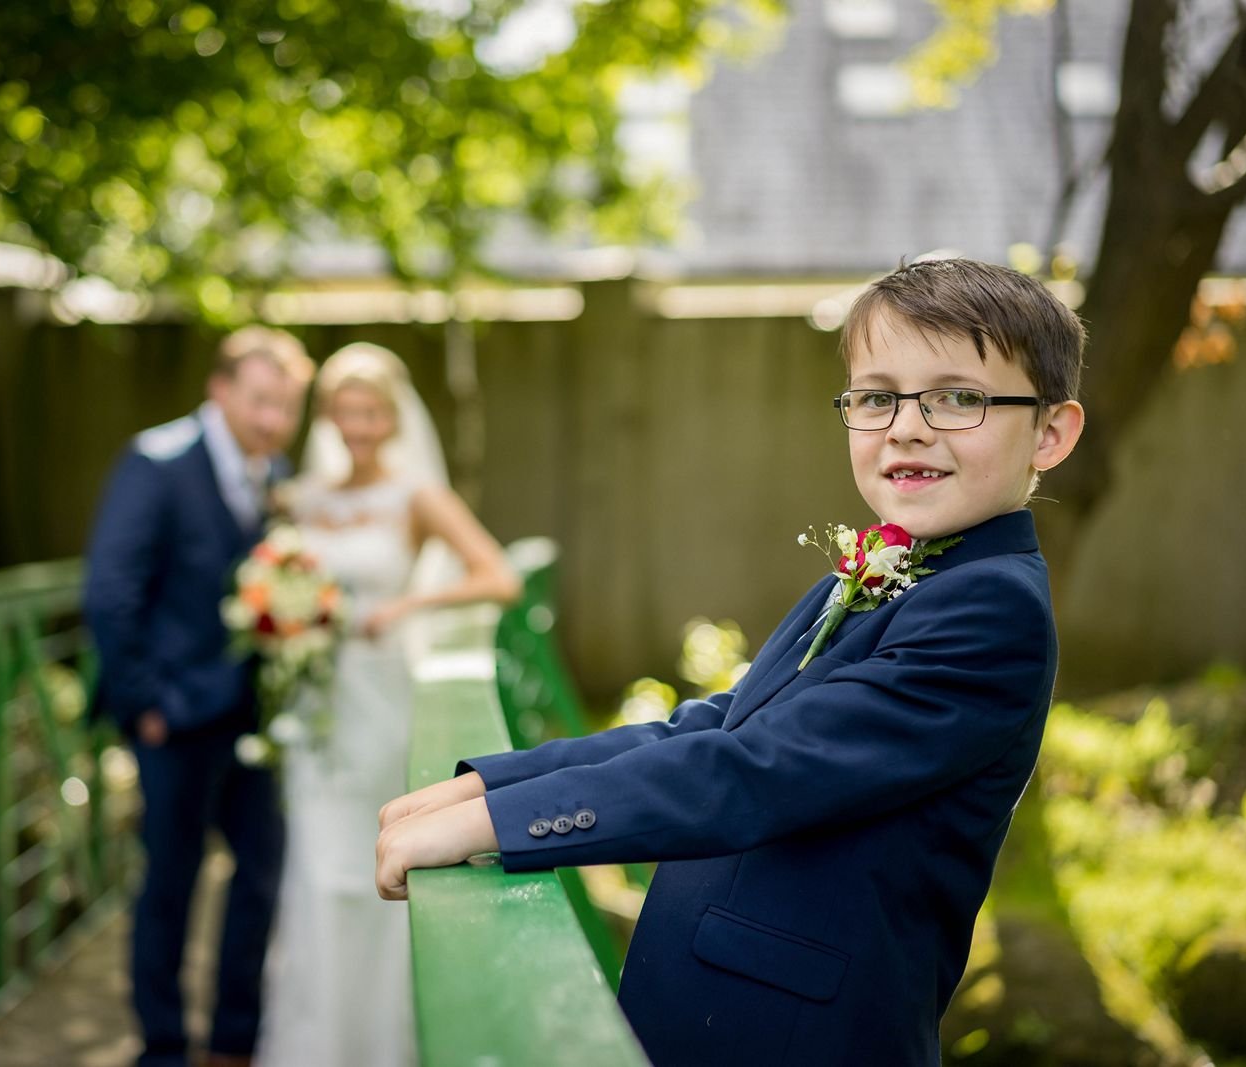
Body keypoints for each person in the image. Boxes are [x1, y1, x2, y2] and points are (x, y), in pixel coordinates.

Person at [374, 258, 1088, 1064]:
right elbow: (721, 723)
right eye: (876, 396)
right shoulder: (885, 570)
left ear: (1051, 432)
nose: (906, 427)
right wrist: (493, 785)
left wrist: (495, 827)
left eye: (958, 397)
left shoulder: (991, 607)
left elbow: (756, 768)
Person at [254, 342, 522, 1067]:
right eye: (345, 411)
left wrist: (407, 605)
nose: (358, 426)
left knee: (377, 858)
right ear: (328, 416)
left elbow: (498, 576)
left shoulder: (417, 495)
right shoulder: (302, 498)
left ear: (394, 417)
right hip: (314, 705)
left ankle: (387, 1044)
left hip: (381, 700)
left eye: (371, 412)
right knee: (316, 867)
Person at [84, 326, 314, 1067]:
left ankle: (234, 1040)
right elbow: (110, 589)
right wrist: (143, 705)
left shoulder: (276, 473)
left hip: (251, 717)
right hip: (173, 720)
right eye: (260, 401)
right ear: (220, 390)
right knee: (170, 884)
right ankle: (162, 1046)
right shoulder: (156, 462)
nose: (273, 420)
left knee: (262, 872)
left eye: (287, 406)